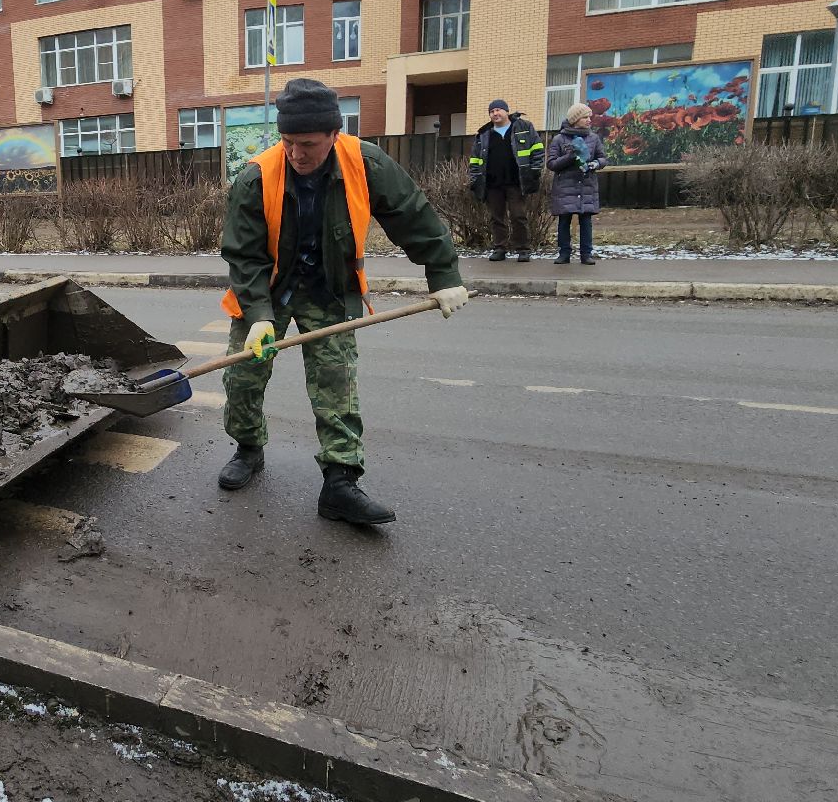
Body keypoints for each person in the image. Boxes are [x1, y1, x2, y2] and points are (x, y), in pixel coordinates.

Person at [219, 78, 468, 526]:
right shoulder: (257, 175)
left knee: (337, 385)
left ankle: (340, 482)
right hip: (269, 290)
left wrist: (443, 273)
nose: (296, 153)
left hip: (329, 288)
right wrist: (258, 315)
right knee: (243, 378)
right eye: (288, 141)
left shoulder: (365, 162)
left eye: (308, 143)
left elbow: (412, 215)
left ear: (335, 134)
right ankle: (248, 447)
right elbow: (244, 254)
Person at [468, 98, 544, 262]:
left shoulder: (524, 128)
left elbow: (537, 150)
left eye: (498, 110)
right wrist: (475, 179)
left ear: (506, 111)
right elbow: (474, 160)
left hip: (516, 182)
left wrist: (534, 171)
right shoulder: (483, 134)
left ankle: (523, 249)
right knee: (497, 218)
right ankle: (500, 248)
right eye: (492, 111)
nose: (495, 113)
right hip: (492, 184)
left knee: (518, 216)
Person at [548, 103, 605, 265]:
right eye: (585, 117)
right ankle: (564, 253)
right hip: (565, 187)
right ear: (575, 120)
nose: (589, 120)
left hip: (586, 186)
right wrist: (571, 156)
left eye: (589, 117)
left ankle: (586, 254)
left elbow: (602, 158)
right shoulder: (559, 139)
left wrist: (595, 164)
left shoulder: (594, 138)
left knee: (586, 221)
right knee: (564, 221)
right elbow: (552, 164)